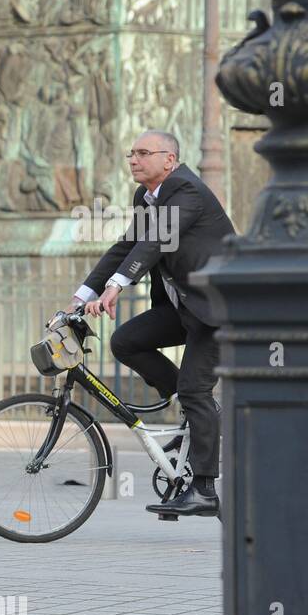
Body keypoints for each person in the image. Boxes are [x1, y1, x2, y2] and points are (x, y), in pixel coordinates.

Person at [69, 129, 232, 518]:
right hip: (186, 308)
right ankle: (194, 411)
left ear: (169, 160)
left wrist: (117, 286)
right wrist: (82, 296)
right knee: (126, 341)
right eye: (131, 154)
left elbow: (155, 241)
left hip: (218, 310)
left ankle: (205, 490)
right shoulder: (146, 197)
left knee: (196, 389)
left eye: (143, 153)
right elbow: (127, 245)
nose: (134, 160)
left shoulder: (188, 191)